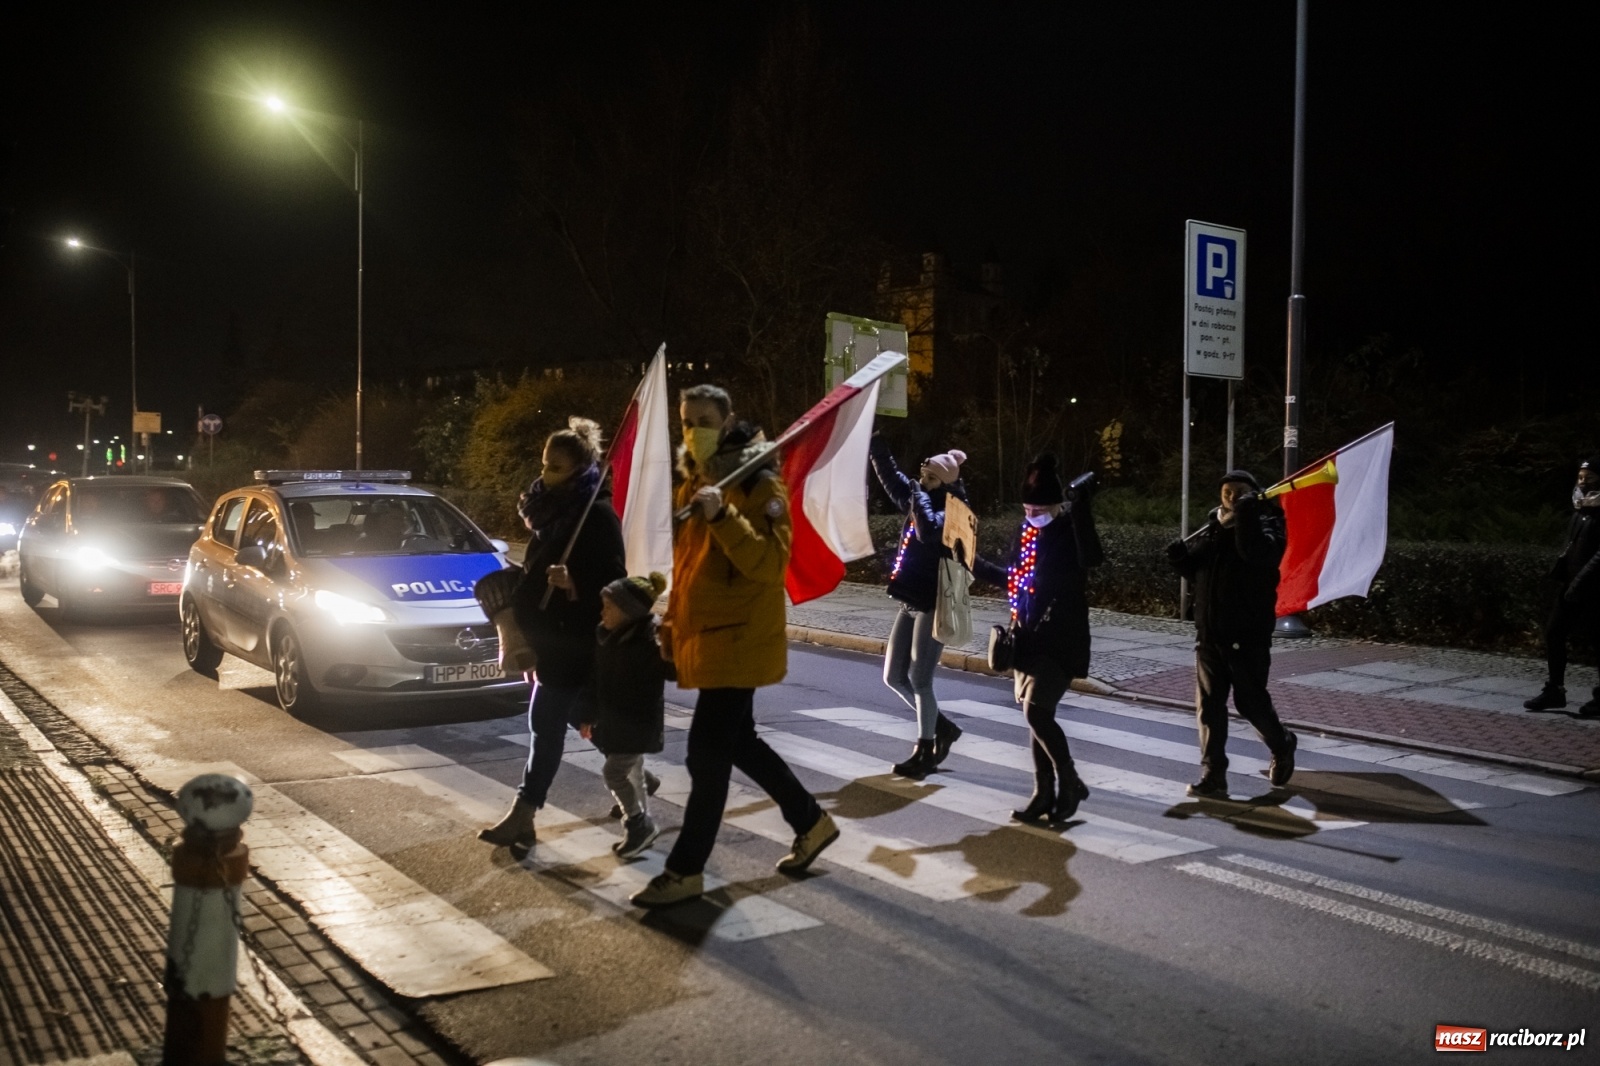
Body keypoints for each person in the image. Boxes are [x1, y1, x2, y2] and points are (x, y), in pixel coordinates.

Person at [630, 384, 838, 907]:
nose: (693, 430)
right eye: (685, 422)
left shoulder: (759, 484)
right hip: (709, 639)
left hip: (742, 639)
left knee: (707, 756)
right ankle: (811, 822)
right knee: (738, 742)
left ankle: (686, 871)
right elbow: (689, 573)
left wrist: (724, 516)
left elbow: (770, 566)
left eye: (704, 420)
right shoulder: (692, 483)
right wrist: (671, 630)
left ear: (728, 423)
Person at [479, 417, 626, 856]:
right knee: (576, 713)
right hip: (544, 637)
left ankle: (524, 814)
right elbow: (537, 567)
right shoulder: (549, 513)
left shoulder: (595, 517)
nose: (546, 474)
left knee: (544, 721)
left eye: (557, 466)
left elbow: (616, 583)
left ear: (580, 469)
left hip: (575, 640)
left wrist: (573, 584)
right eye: (545, 464)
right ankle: (633, 773)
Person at [975, 454, 1103, 823]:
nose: (1033, 515)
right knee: (1036, 717)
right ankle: (1043, 793)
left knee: (1037, 711)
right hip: (1027, 637)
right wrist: (974, 563)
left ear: (1059, 505)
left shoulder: (1070, 529)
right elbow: (1014, 579)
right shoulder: (1026, 532)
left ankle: (1071, 782)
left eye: (1040, 508)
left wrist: (1082, 508)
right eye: (1028, 508)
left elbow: (1092, 559)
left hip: (1062, 638)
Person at [1166, 469, 1298, 798]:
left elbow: (1257, 555)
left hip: (1247, 634)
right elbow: (1201, 571)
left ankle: (1282, 744)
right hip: (1210, 634)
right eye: (1226, 491)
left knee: (1250, 704)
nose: (1230, 497)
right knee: (1209, 707)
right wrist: (1181, 560)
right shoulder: (1215, 525)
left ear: (1253, 493)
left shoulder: (1268, 521)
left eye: (1238, 491)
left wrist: (1247, 515)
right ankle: (1213, 774)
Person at [867, 434, 970, 778]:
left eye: (931, 479)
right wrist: (877, 445)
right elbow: (893, 480)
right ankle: (943, 727)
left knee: (920, 680)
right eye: (922, 476)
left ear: (947, 483)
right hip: (909, 598)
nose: (922, 482)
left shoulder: (955, 513)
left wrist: (917, 494)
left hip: (935, 603)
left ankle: (925, 750)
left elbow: (927, 531)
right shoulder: (921, 498)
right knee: (894, 676)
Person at [589, 572, 673, 859]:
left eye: (609, 607)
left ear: (629, 612)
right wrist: (590, 713)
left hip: (637, 723)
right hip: (615, 721)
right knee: (629, 768)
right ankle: (646, 786)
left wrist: (674, 642)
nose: (602, 612)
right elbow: (597, 680)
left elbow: (673, 671)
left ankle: (638, 822)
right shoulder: (606, 636)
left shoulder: (648, 644)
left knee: (613, 773)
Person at [1525, 454, 1600, 717]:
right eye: (1580, 477)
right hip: (1572, 585)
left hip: (1593, 588)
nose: (1583, 482)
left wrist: (1580, 582)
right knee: (1554, 632)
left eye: (1589, 478)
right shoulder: (1580, 510)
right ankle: (1555, 690)